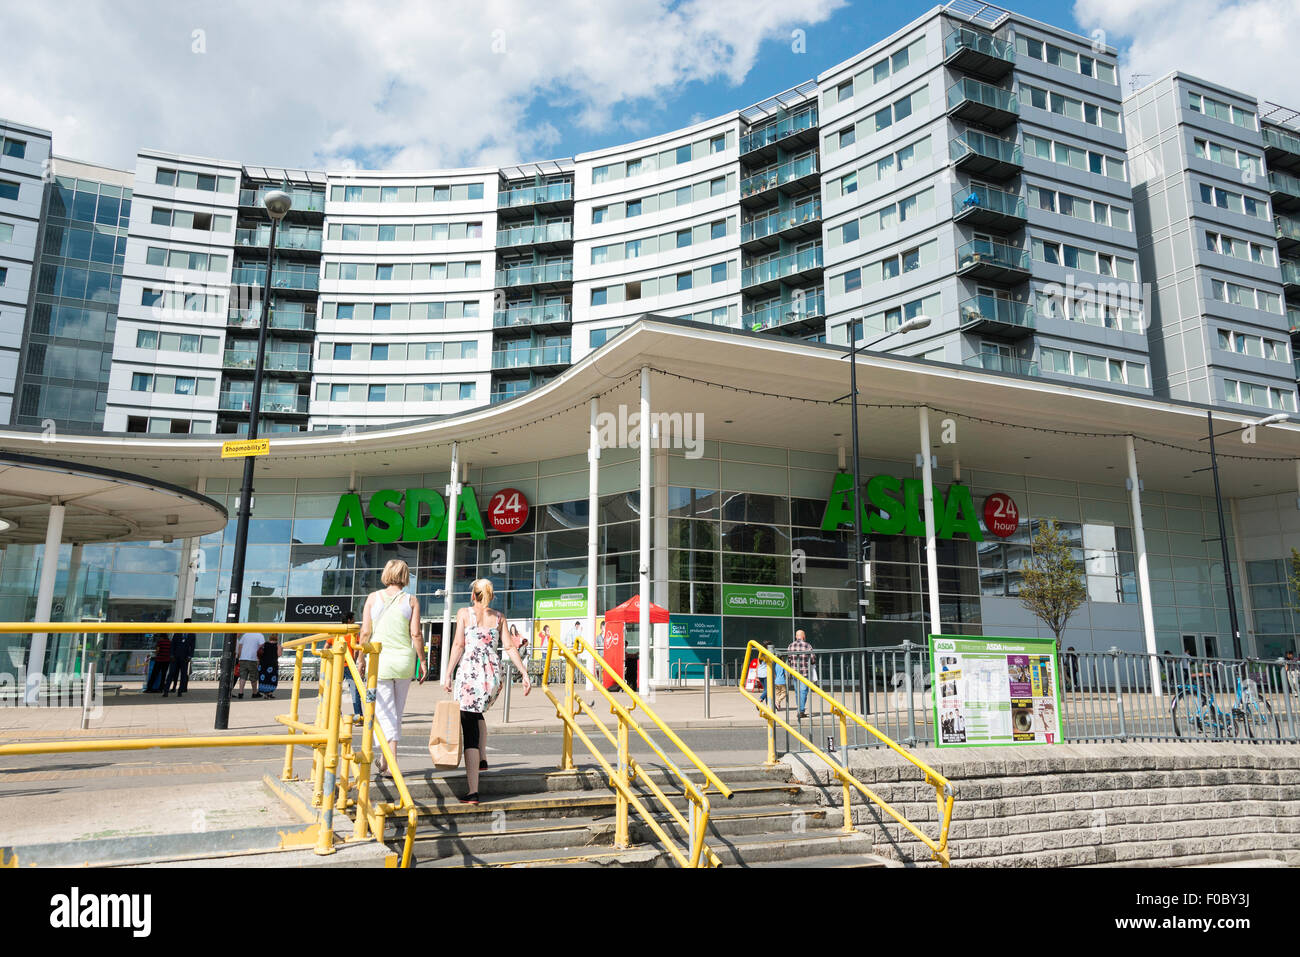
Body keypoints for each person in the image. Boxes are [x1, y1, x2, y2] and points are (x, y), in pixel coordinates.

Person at [443, 578, 531, 805]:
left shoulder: (464, 613)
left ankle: (473, 790)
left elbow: (458, 645)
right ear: (491, 596)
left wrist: (448, 672)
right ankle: (483, 757)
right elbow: (510, 647)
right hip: (491, 676)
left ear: (474, 595)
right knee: (476, 712)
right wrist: (524, 673)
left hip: (470, 674)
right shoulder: (499, 617)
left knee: (469, 726)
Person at [360, 560, 426, 778]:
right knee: (396, 712)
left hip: (379, 661)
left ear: (386, 573)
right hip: (404, 662)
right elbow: (416, 634)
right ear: (405, 576)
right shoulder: (412, 600)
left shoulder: (373, 598)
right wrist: (422, 661)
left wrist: (360, 658)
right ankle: (386, 760)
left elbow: (365, 633)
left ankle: (391, 761)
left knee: (384, 711)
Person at [340, 611, 364, 717]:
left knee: (335, 690)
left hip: (338, 665)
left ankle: (334, 714)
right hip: (348, 665)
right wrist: (354, 661)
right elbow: (356, 648)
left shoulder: (337, 632)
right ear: (349, 620)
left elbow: (327, 645)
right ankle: (358, 714)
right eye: (353, 618)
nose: (354, 620)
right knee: (355, 691)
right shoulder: (353, 632)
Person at [163, 619, 194, 698]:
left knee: (183, 674)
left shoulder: (192, 634)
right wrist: (172, 655)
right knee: (171, 673)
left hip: (184, 658)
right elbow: (173, 644)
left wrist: (190, 656)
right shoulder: (178, 633)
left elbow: (192, 646)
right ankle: (166, 691)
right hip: (175, 657)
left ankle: (180, 691)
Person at [786, 629, 813, 718]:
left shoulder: (790, 646)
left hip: (794, 672)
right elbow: (813, 659)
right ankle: (801, 710)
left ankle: (800, 709)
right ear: (803, 636)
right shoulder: (807, 645)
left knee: (798, 692)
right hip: (804, 672)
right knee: (803, 691)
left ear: (796, 636)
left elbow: (789, 659)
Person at [234, 632, 264, 699]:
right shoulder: (259, 635)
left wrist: (239, 657)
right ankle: (254, 693)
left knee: (242, 677)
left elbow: (240, 646)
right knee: (254, 677)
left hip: (243, 658)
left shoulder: (245, 635)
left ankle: (240, 693)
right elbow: (261, 647)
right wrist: (259, 658)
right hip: (253, 659)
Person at [257, 633, 280, 699]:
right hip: (272, 665)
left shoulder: (264, 644)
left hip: (263, 664)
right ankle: (270, 693)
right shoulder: (277, 645)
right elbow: (279, 654)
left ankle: (265, 694)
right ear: (277, 638)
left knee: (264, 679)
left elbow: (259, 653)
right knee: (271, 678)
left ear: (269, 638)